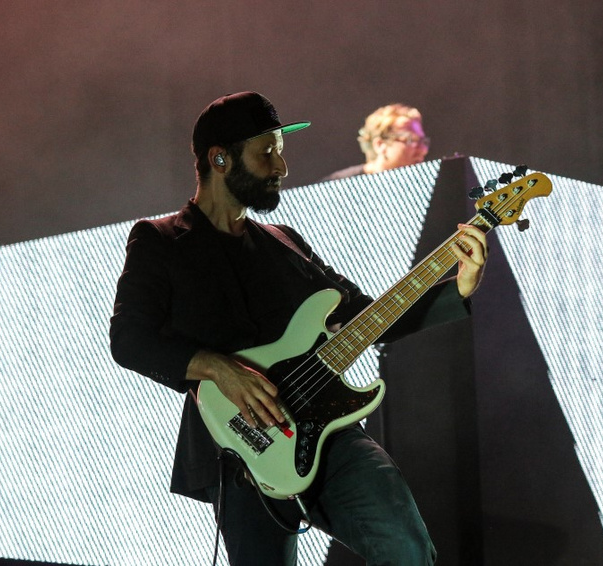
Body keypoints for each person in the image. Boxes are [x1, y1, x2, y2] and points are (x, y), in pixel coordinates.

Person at [109, 91, 487, 565]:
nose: (281, 167)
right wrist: (221, 369)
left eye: (280, 152)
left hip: (328, 428)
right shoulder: (161, 240)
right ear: (219, 158)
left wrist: (461, 287)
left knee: (406, 547)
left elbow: (364, 316)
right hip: (240, 447)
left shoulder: (284, 242)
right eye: (266, 152)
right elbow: (129, 340)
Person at [322, 103, 430, 180]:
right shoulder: (337, 185)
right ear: (380, 145)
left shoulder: (425, 184)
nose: (423, 150)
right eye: (410, 140)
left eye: (422, 141)